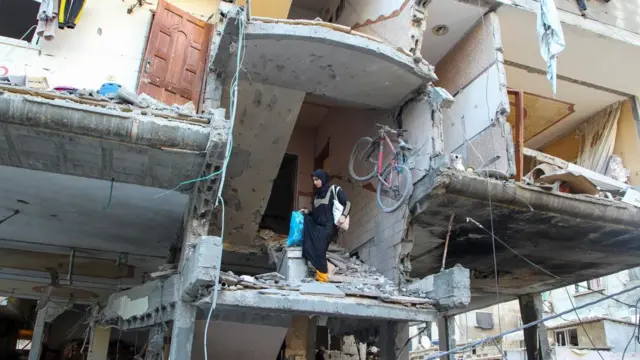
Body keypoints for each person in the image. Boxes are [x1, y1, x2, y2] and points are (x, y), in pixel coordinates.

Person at [301, 169, 351, 282]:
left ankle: (323, 277)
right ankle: (323, 273)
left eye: (317, 179)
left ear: (323, 179)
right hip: (318, 226)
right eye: (313, 180)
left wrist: (344, 215)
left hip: (329, 227)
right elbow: (317, 215)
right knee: (309, 247)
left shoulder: (334, 189)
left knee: (319, 250)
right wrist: (308, 212)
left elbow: (347, 203)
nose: (315, 182)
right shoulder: (317, 196)